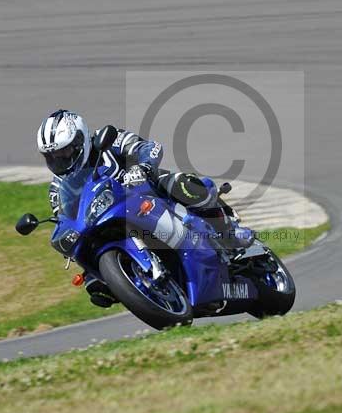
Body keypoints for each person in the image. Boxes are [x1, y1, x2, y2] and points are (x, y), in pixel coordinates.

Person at [36, 109, 252, 307]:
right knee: (92, 279)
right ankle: (131, 281)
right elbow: (65, 215)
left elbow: (149, 147)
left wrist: (143, 166)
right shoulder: (58, 187)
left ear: (80, 141)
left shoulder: (108, 141)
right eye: (51, 156)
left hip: (148, 193)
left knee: (181, 185)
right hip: (111, 219)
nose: (58, 160)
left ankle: (227, 232)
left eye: (63, 152)